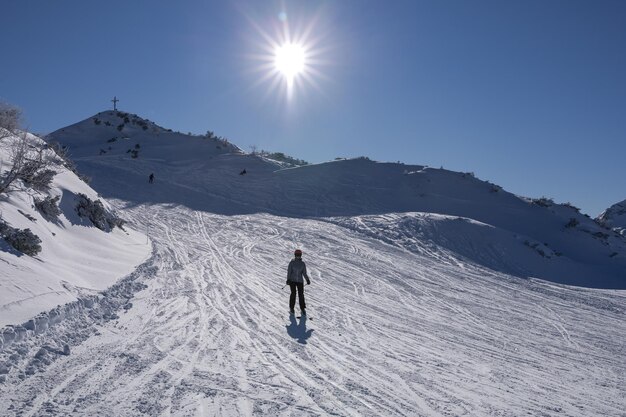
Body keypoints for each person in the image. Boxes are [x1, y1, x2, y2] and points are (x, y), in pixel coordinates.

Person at [286, 249, 310, 315]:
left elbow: (304, 273)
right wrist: (288, 279)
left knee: (301, 295)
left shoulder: (302, 264)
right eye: (297, 255)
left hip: (300, 281)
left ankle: (302, 308)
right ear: (295, 255)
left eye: (299, 255)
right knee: (293, 294)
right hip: (292, 281)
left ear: (301, 255)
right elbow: (289, 272)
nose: (298, 256)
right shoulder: (292, 263)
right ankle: (291, 308)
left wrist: (307, 279)